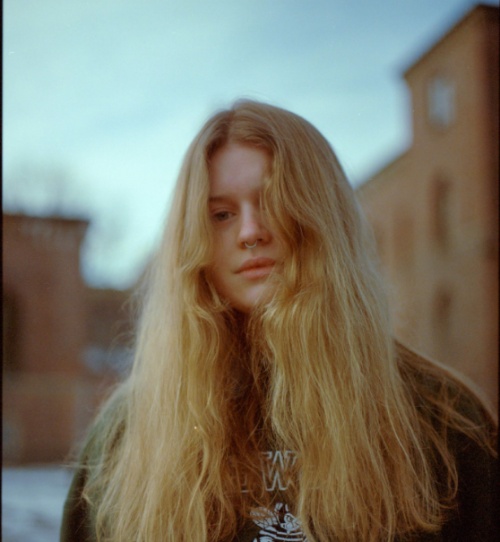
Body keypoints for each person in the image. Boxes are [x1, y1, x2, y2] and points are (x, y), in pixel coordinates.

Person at [61, 100, 497, 542]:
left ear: (324, 217)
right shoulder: (126, 434)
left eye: (274, 200)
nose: (250, 232)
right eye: (221, 215)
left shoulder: (444, 421)